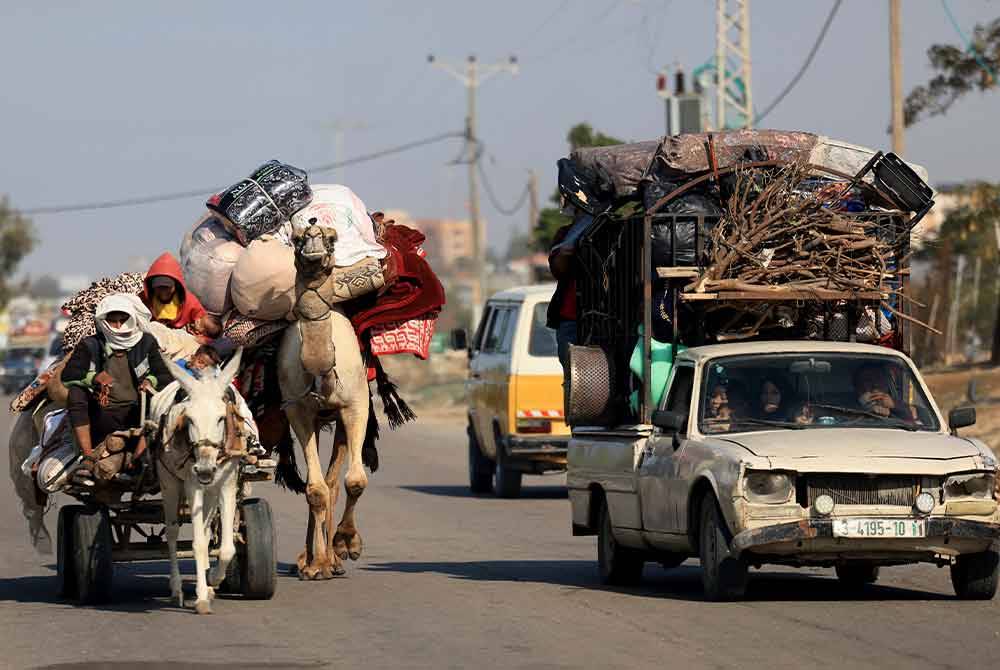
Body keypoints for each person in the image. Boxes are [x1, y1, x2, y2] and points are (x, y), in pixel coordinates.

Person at [61, 294, 171, 480]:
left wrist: (150, 381)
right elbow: (69, 375)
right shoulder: (91, 345)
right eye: (113, 321)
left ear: (131, 319)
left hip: (137, 415)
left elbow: (164, 375)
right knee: (75, 393)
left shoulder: (146, 343)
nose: (119, 325)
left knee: (160, 401)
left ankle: (137, 461)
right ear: (103, 322)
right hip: (101, 416)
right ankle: (88, 457)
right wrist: (94, 378)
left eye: (123, 320)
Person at [140, 252, 208, 330]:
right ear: (151, 286)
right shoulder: (144, 299)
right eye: (159, 287)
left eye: (167, 287)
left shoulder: (189, 301)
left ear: (177, 285)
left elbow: (206, 324)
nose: (163, 292)